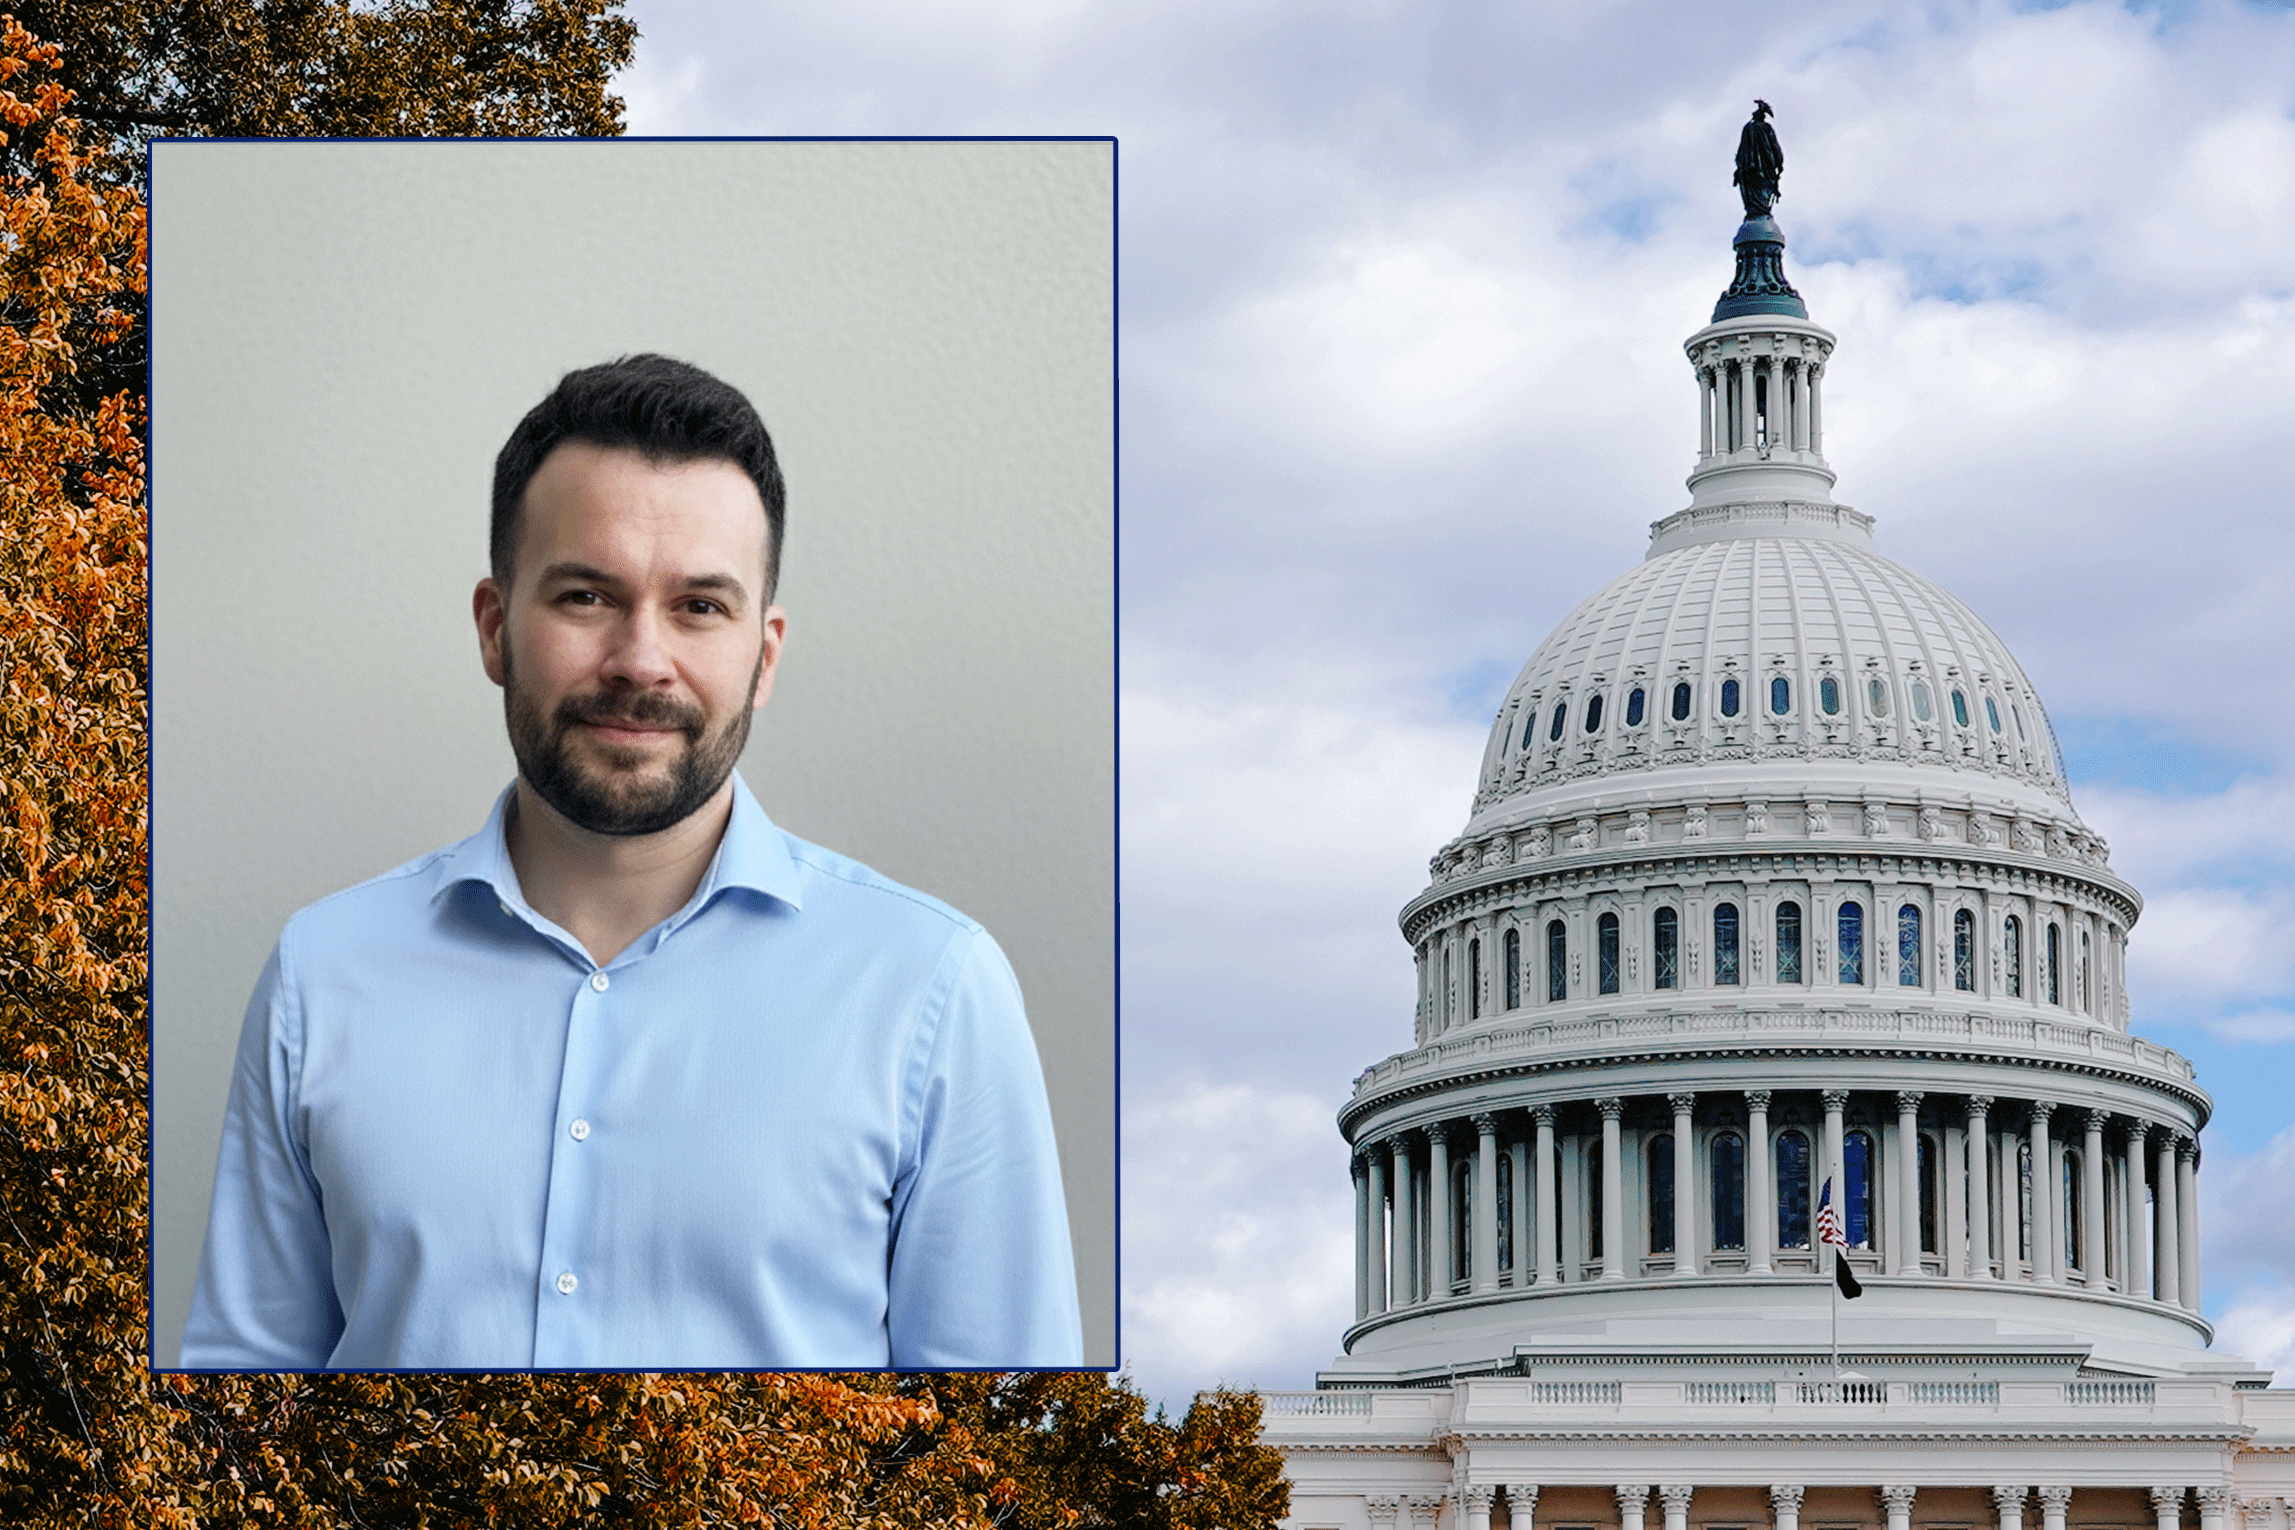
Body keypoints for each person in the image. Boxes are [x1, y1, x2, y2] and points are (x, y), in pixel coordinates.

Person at [182, 355, 1082, 1369]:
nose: (640, 661)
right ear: (494, 627)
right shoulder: (322, 972)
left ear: (765, 654)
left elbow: (999, 1451)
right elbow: (236, 1416)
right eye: (585, 596)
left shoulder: (935, 992)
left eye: (700, 606)